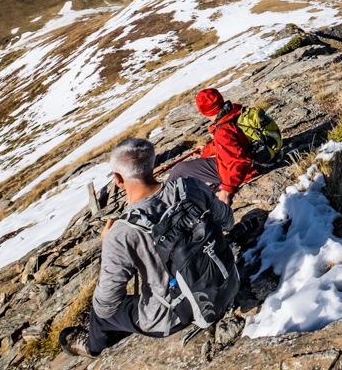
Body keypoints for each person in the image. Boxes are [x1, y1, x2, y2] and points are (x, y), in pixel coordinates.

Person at [59, 138, 238, 357]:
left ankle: (92, 347)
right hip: (226, 281)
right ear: (153, 164)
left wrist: (106, 249)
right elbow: (227, 221)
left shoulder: (121, 234)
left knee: (102, 314)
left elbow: (106, 305)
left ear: (117, 179)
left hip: (174, 316)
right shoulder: (190, 186)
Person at [167, 88, 254, 206]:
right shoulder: (234, 113)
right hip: (248, 160)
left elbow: (239, 162)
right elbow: (230, 143)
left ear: (203, 111)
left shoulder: (222, 131)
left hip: (239, 172)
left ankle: (158, 203)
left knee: (180, 169)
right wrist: (205, 151)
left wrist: (226, 190)